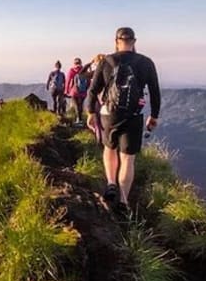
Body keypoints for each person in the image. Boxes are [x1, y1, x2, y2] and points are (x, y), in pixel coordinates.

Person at [86, 27, 160, 214]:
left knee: (109, 149)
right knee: (128, 158)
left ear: (116, 41)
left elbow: (93, 90)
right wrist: (154, 116)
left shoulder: (106, 61)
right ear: (134, 41)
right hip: (133, 116)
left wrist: (90, 113)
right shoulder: (146, 63)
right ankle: (124, 200)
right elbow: (154, 92)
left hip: (108, 114)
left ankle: (111, 183)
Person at [66, 58, 88, 124]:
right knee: (81, 105)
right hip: (83, 91)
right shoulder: (84, 70)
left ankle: (78, 120)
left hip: (74, 92)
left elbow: (68, 81)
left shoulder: (72, 70)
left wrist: (66, 90)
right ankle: (80, 119)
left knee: (76, 105)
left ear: (74, 63)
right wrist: (87, 89)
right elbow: (89, 81)